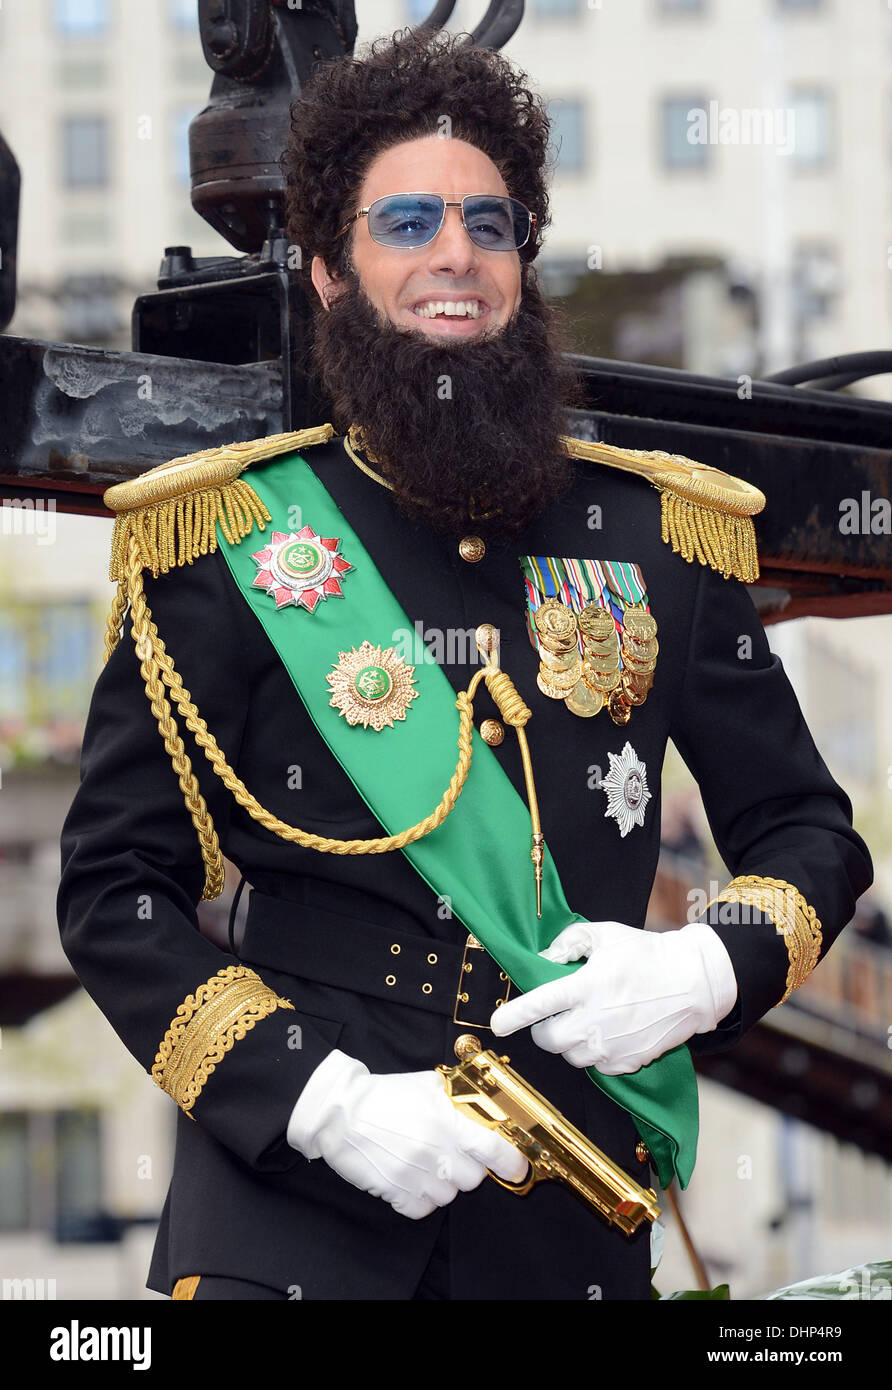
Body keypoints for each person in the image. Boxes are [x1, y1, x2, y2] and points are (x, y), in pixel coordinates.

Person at [56, 28, 873, 1302]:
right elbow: (116, 887)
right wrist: (318, 1101)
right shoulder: (227, 534)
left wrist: (702, 968)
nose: (455, 254)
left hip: (570, 1202)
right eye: (409, 220)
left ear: (522, 265)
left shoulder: (662, 532)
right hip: (289, 1207)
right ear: (330, 270)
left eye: (490, 225)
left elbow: (809, 836)